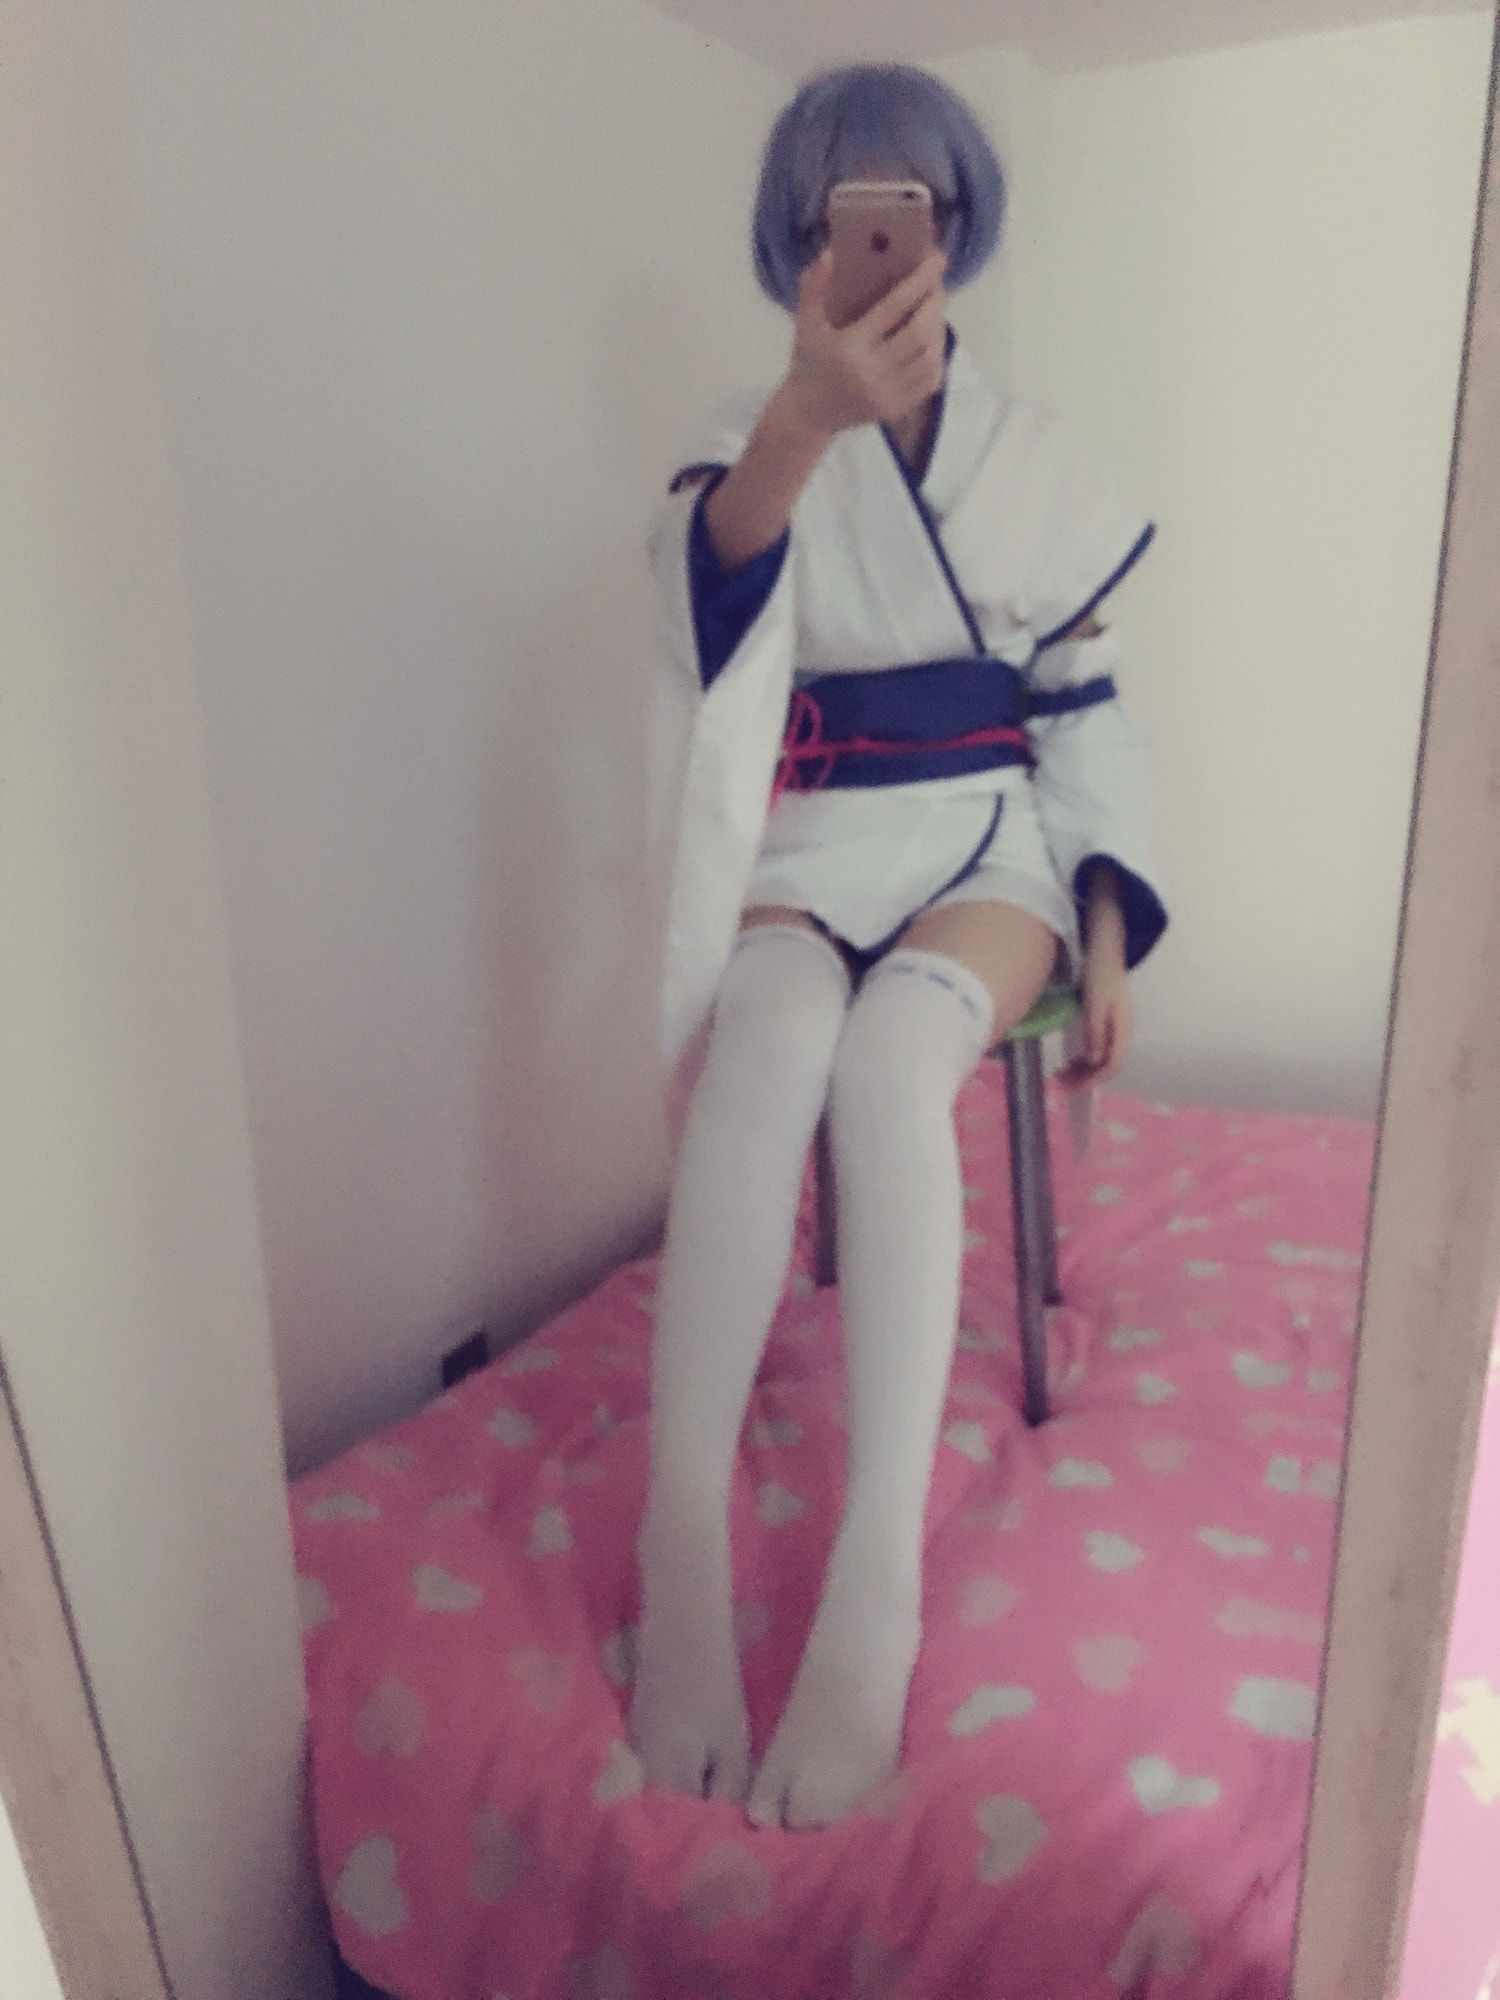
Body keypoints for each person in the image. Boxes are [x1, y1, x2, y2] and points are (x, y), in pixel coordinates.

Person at [629, 62, 1169, 1833]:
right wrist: (805, 418)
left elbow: (1086, 709)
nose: (870, 252)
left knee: (886, 1064)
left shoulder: (1038, 457)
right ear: (798, 245)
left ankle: (878, 1570)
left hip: (986, 836)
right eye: (837, 221)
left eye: (902, 215)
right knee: (773, 1038)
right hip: (816, 826)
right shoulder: (751, 424)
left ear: (953, 232)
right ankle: (681, 1526)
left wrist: (1108, 930)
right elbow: (709, 605)